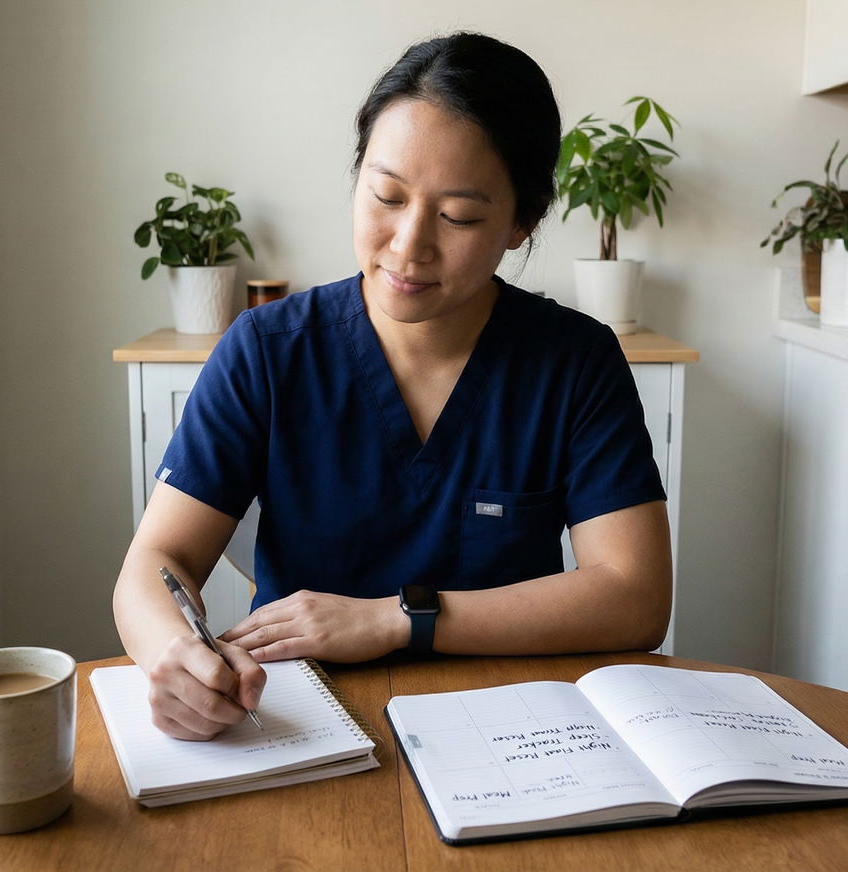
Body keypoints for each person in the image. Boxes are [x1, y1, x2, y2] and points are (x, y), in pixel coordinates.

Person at [113, 32, 672, 741]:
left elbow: (635, 599)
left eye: (458, 216)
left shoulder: (574, 362)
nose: (409, 245)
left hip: (517, 726)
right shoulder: (268, 352)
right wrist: (177, 660)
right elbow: (154, 564)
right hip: (298, 722)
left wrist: (393, 619)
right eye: (386, 195)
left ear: (520, 222)